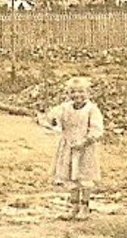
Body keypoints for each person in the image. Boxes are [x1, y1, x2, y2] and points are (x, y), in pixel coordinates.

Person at [39, 77, 105, 221]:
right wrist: (50, 118)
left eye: (81, 92)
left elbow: (97, 130)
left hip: (85, 148)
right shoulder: (65, 107)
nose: (77, 95)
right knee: (70, 177)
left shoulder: (91, 110)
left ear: (88, 93)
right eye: (73, 92)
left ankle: (85, 207)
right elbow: (52, 118)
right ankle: (73, 206)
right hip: (68, 146)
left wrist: (85, 141)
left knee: (84, 177)